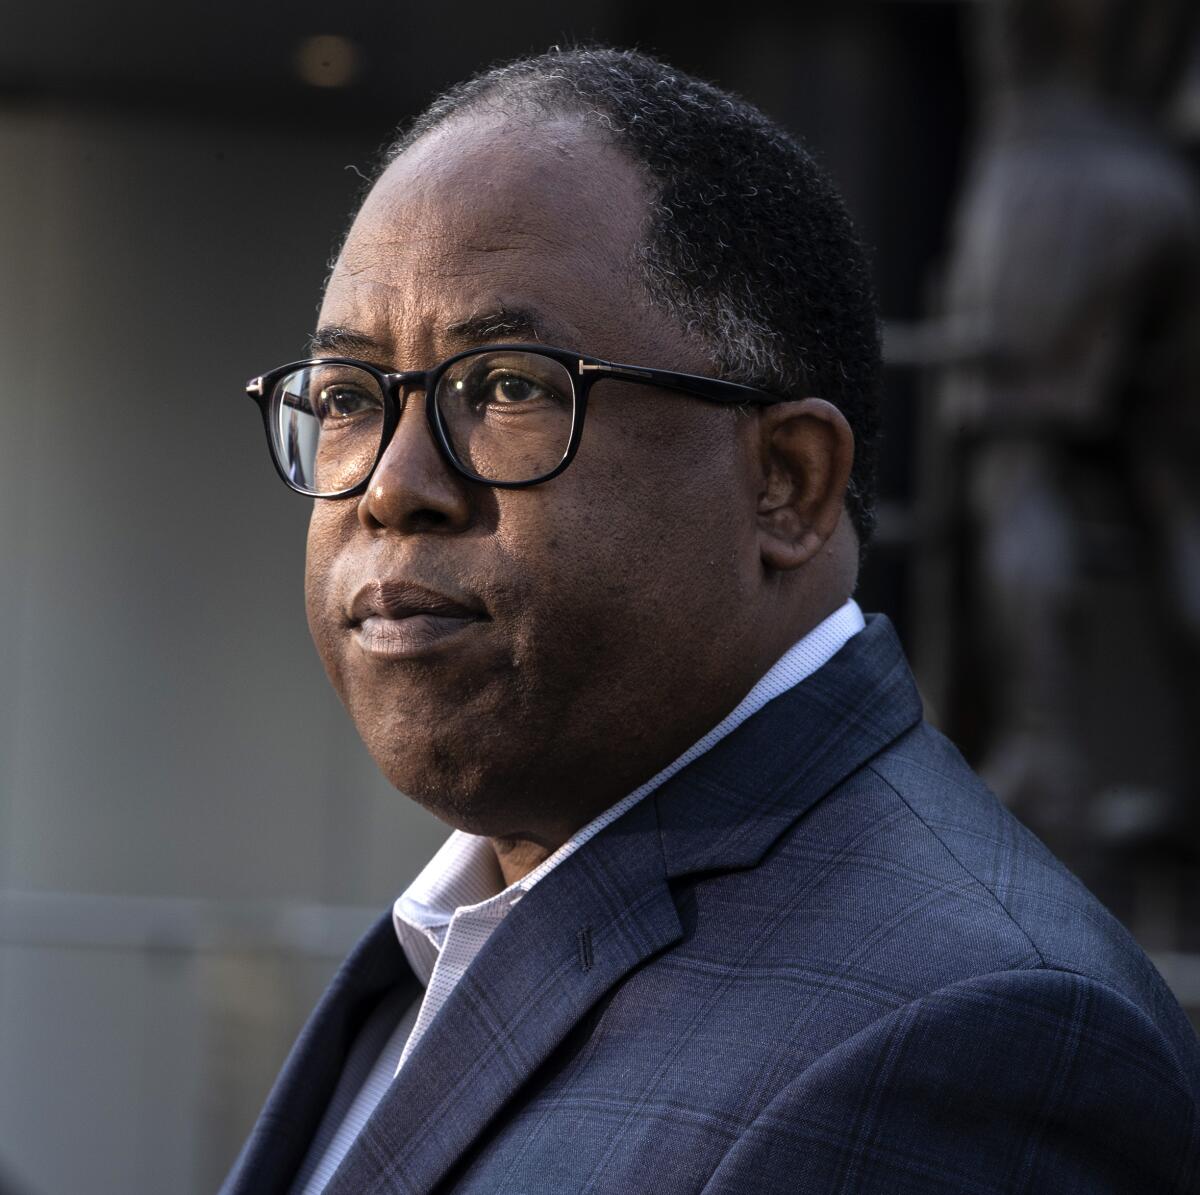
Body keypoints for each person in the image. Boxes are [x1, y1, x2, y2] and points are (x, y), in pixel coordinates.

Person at [223, 48, 1200, 1195]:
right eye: (347, 398)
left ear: (785, 481)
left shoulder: (977, 1039)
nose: (393, 485)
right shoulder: (462, 922)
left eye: (507, 387)